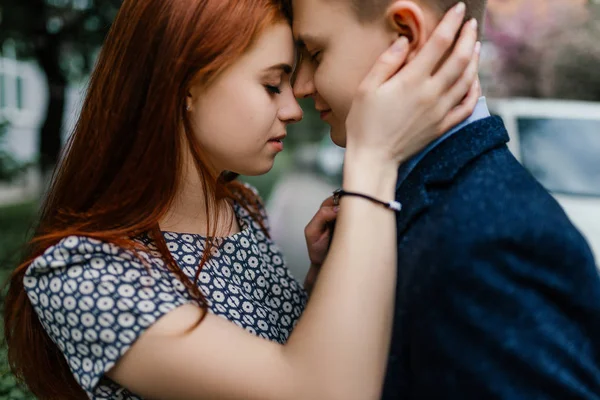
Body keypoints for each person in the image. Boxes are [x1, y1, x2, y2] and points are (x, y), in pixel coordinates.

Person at [3, 0, 480, 398]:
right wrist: (372, 160)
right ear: (186, 81)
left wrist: (321, 279)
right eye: (272, 84)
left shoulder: (239, 207)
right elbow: (316, 392)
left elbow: (285, 348)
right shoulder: (84, 275)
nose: (294, 108)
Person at [291, 0, 600, 397]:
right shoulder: (409, 198)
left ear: (406, 35)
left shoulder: (493, 241)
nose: (301, 85)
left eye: (316, 53)